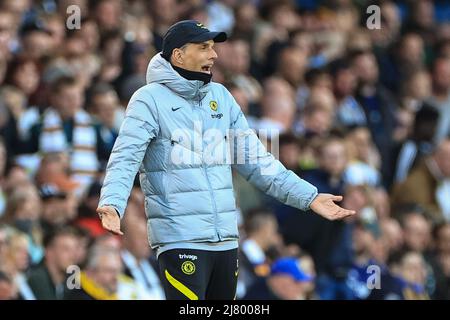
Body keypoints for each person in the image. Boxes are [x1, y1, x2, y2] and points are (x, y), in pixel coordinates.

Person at [97, 20, 355, 300]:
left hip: (226, 242)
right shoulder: (148, 100)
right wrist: (112, 202)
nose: (214, 55)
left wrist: (309, 197)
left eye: (213, 47)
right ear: (178, 55)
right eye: (204, 47)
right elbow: (125, 155)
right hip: (181, 239)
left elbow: (258, 162)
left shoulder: (221, 97)